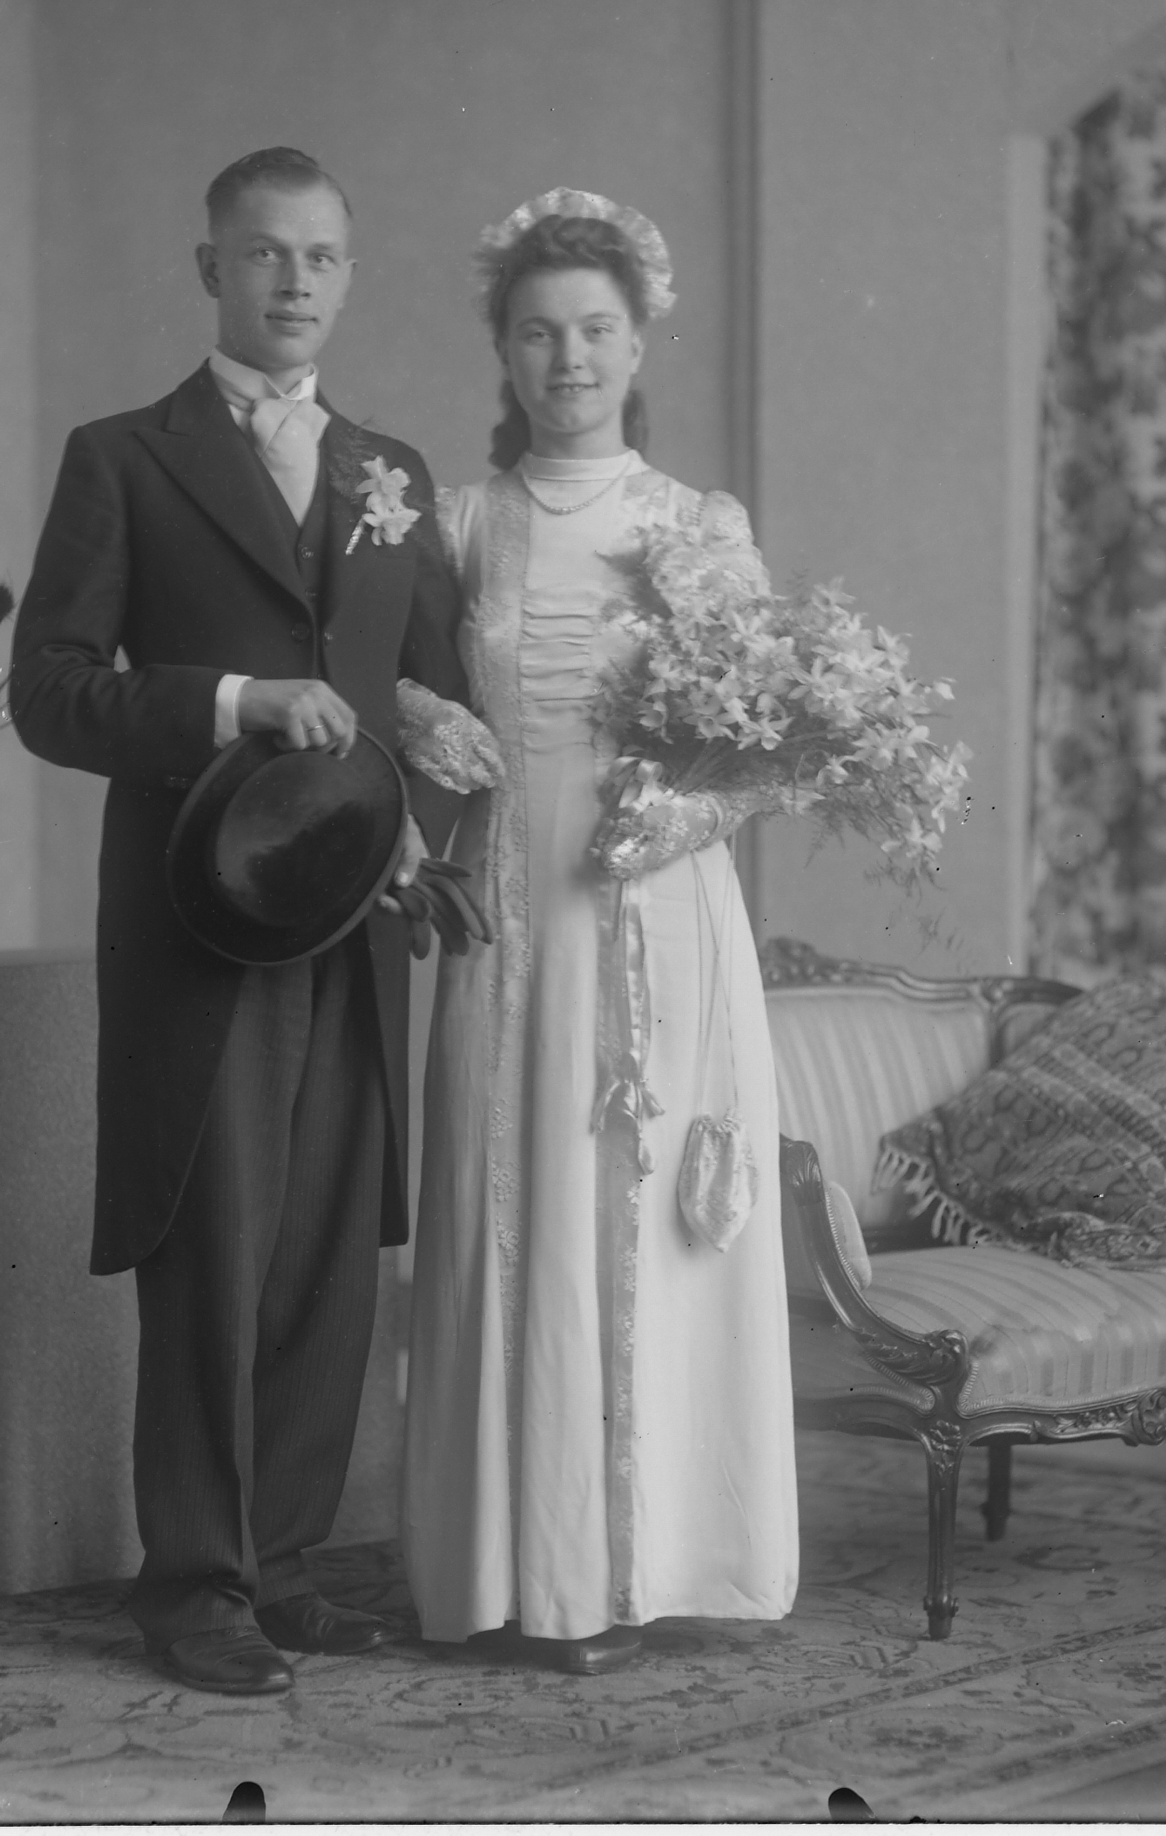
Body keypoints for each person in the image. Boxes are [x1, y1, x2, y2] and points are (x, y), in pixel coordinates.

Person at [12, 148, 471, 1696]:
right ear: (210, 268)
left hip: (354, 922)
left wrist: (418, 806)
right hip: (200, 930)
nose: (295, 281)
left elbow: (435, 688)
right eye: (266, 253)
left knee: (327, 1252)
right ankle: (194, 1584)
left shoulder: (390, 470)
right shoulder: (123, 459)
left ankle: (283, 1567)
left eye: (322, 256)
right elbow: (49, 693)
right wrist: (226, 702)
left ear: (350, 274)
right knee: (213, 1247)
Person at [401, 190, 799, 1674]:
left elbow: (768, 743)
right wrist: (414, 712)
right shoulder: (460, 525)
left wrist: (678, 820)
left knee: (640, 1207)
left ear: (637, 346)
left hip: (656, 908)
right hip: (510, 903)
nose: (566, 360)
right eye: (537, 333)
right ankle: (522, 1574)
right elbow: (377, 667)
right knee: (509, 1195)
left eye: (593, 332)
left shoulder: (698, 527)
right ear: (503, 352)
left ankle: (658, 1564)